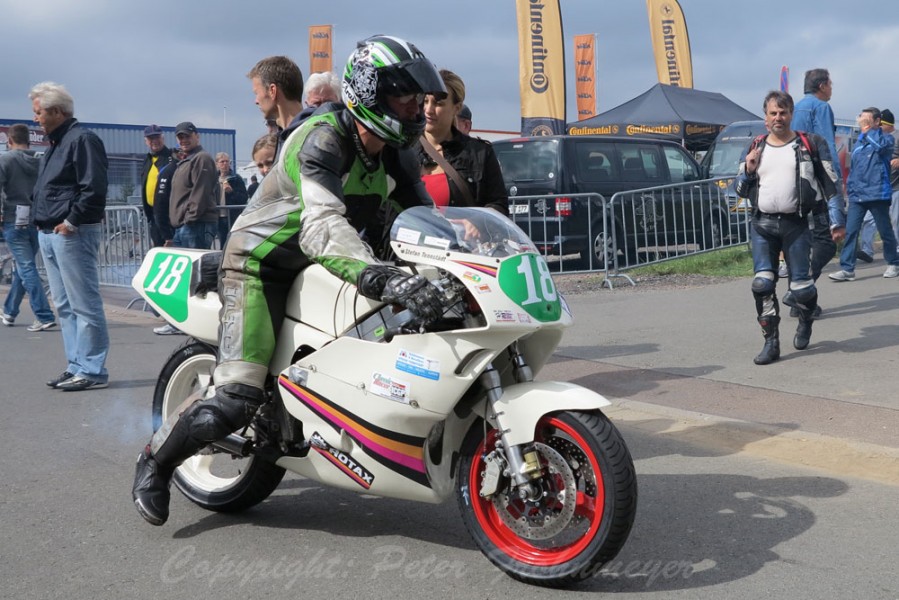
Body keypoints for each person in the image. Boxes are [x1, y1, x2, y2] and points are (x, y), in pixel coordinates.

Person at [132, 35, 447, 526]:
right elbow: (321, 224)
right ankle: (155, 462)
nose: (415, 108)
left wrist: (457, 255)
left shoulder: (397, 153)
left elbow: (421, 221)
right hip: (262, 264)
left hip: (326, 264)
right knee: (233, 403)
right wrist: (381, 276)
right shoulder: (320, 138)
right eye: (404, 95)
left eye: (418, 98)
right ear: (369, 91)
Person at [735, 91, 839, 365]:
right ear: (765, 117)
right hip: (763, 225)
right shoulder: (755, 146)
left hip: (797, 225)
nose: (778, 118)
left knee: (802, 289)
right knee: (762, 285)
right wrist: (748, 169)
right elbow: (740, 191)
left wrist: (836, 221)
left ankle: (806, 318)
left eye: (783, 112)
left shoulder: (809, 143)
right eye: (773, 113)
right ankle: (771, 343)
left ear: (791, 114)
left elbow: (830, 184)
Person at [29, 81, 110, 391]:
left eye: (39, 112)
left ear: (57, 112)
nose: (36, 118)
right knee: (64, 305)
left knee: (83, 303)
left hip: (70, 233)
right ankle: (77, 364)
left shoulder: (82, 140)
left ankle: (90, 368)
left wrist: (71, 222)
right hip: (53, 232)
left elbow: (94, 187)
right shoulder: (58, 143)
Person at [788, 68, 846, 315]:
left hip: (794, 179)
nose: (832, 88)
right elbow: (826, 145)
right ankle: (797, 293)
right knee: (826, 243)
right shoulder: (821, 107)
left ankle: (801, 305)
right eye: (830, 84)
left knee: (801, 242)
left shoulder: (796, 107)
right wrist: (836, 179)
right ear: (822, 86)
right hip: (816, 181)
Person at [154, 122, 218, 335]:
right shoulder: (186, 160)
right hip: (185, 226)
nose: (183, 140)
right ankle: (181, 324)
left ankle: (199, 325)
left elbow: (200, 192)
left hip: (195, 225)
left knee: (197, 280)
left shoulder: (202, 159)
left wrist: (189, 218)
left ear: (197, 136)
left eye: (187, 136)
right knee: (185, 280)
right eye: (180, 137)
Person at [416, 69, 507, 213]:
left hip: (460, 236)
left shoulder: (480, 153)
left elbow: (498, 204)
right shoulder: (402, 149)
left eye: (438, 103)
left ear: (456, 108)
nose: (428, 109)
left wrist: (476, 222)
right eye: (425, 101)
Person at [829, 107, 899, 281]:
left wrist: (868, 131)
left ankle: (894, 262)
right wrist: (850, 188)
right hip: (857, 195)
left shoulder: (887, 139)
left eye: (867, 121)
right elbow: (855, 168)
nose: (862, 124)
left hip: (877, 194)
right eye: (862, 120)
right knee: (851, 231)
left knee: (885, 231)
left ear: (877, 122)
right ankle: (847, 268)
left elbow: (880, 147)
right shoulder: (860, 142)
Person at [0, 123, 56, 331]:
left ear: (9, 140)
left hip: (13, 219)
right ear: (29, 140)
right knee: (24, 267)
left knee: (25, 267)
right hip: (37, 219)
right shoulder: (40, 161)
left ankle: (43, 315)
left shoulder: (4, 159)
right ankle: (10, 311)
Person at [857, 109, 899, 261]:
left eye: (881, 124)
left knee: (895, 221)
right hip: (877, 189)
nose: (879, 126)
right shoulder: (875, 136)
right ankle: (867, 251)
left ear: (887, 124)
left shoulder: (896, 137)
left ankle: (896, 251)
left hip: (896, 188)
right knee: (868, 220)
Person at [248, 55, 304, 159]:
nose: (256, 101)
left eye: (257, 93)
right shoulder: (286, 139)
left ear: (272, 91)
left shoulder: (308, 140)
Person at [139, 125, 175, 247]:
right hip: (154, 216)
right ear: (146, 141)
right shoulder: (147, 160)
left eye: (157, 137)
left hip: (168, 216)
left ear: (163, 138)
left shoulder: (172, 158)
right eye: (150, 138)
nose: (154, 141)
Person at [214, 152, 248, 247]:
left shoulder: (236, 179)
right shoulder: (213, 179)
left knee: (233, 242)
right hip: (217, 216)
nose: (225, 164)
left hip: (232, 216)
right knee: (222, 242)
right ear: (217, 164)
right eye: (222, 162)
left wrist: (231, 192)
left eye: (227, 161)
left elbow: (243, 198)